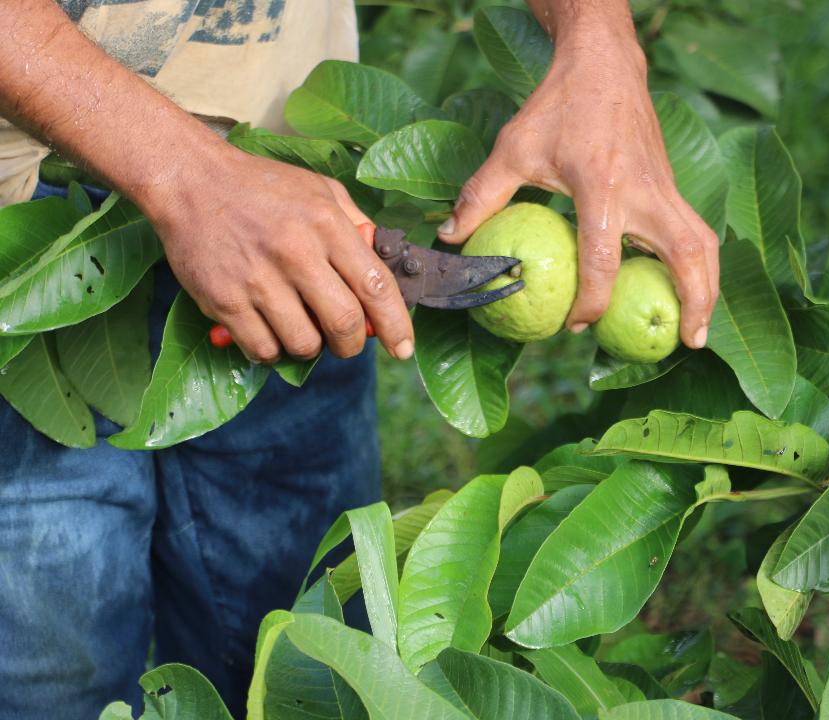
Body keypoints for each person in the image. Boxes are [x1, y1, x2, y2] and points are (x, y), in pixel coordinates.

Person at [0, 0, 719, 717]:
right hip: (21, 230)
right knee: (54, 683)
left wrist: (599, 41)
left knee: (314, 650)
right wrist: (183, 174)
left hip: (294, 198)